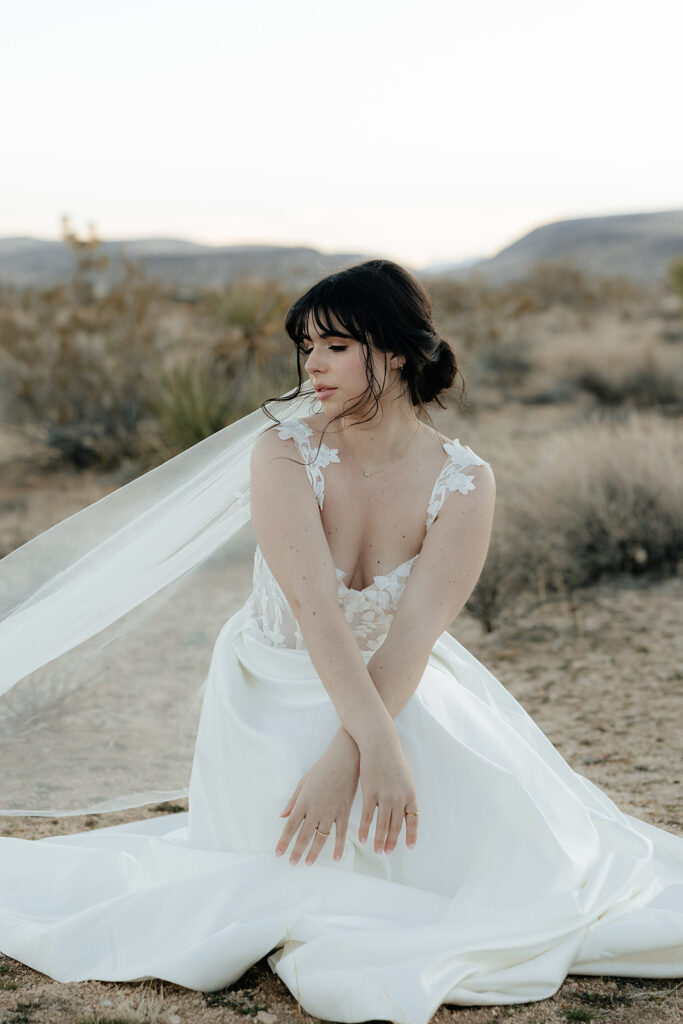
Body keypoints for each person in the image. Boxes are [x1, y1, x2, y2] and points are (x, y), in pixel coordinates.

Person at [0, 260, 682, 1024]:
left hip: (398, 680)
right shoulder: (284, 453)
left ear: (390, 350)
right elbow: (317, 612)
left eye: (332, 346)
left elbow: (416, 632)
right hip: (272, 683)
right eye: (305, 348)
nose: (311, 367)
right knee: (294, 856)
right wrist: (362, 751)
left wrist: (364, 748)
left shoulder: (464, 479)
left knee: (493, 852)